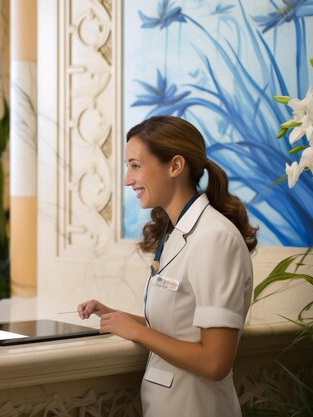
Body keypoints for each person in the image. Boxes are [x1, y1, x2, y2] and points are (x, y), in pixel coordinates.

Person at [78, 116, 258, 416]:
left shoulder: (214, 238)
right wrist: (119, 318)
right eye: (127, 167)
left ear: (175, 166)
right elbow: (181, 327)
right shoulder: (176, 233)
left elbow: (215, 362)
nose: (127, 180)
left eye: (136, 165)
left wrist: (136, 332)